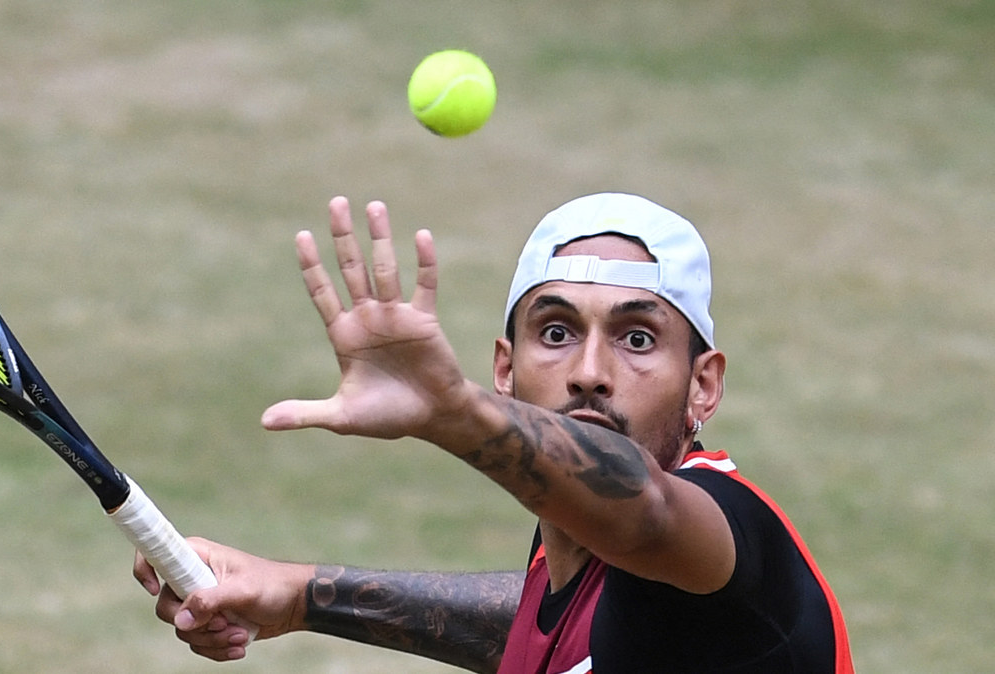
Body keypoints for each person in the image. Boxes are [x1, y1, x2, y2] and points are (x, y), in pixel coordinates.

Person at [133, 193, 855, 673]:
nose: (590, 372)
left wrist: (452, 410)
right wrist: (301, 594)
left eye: (638, 339)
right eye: (557, 331)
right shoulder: (587, 560)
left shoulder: (728, 538)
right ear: (506, 367)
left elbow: (646, 512)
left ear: (704, 384)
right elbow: (554, 618)